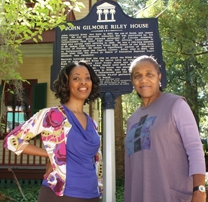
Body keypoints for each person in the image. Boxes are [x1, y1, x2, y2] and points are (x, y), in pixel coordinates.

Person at [4, 60, 103, 202]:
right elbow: (12, 140)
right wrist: (50, 155)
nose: (83, 82)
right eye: (76, 78)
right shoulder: (51, 115)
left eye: (87, 78)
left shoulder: (93, 124)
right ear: (66, 84)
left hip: (92, 195)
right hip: (61, 195)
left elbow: (95, 159)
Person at [124, 55, 206, 202]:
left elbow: (194, 148)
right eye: (138, 76)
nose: (143, 80)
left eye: (149, 74)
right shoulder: (132, 120)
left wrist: (199, 190)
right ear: (132, 82)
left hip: (172, 196)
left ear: (159, 77)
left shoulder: (176, 105)